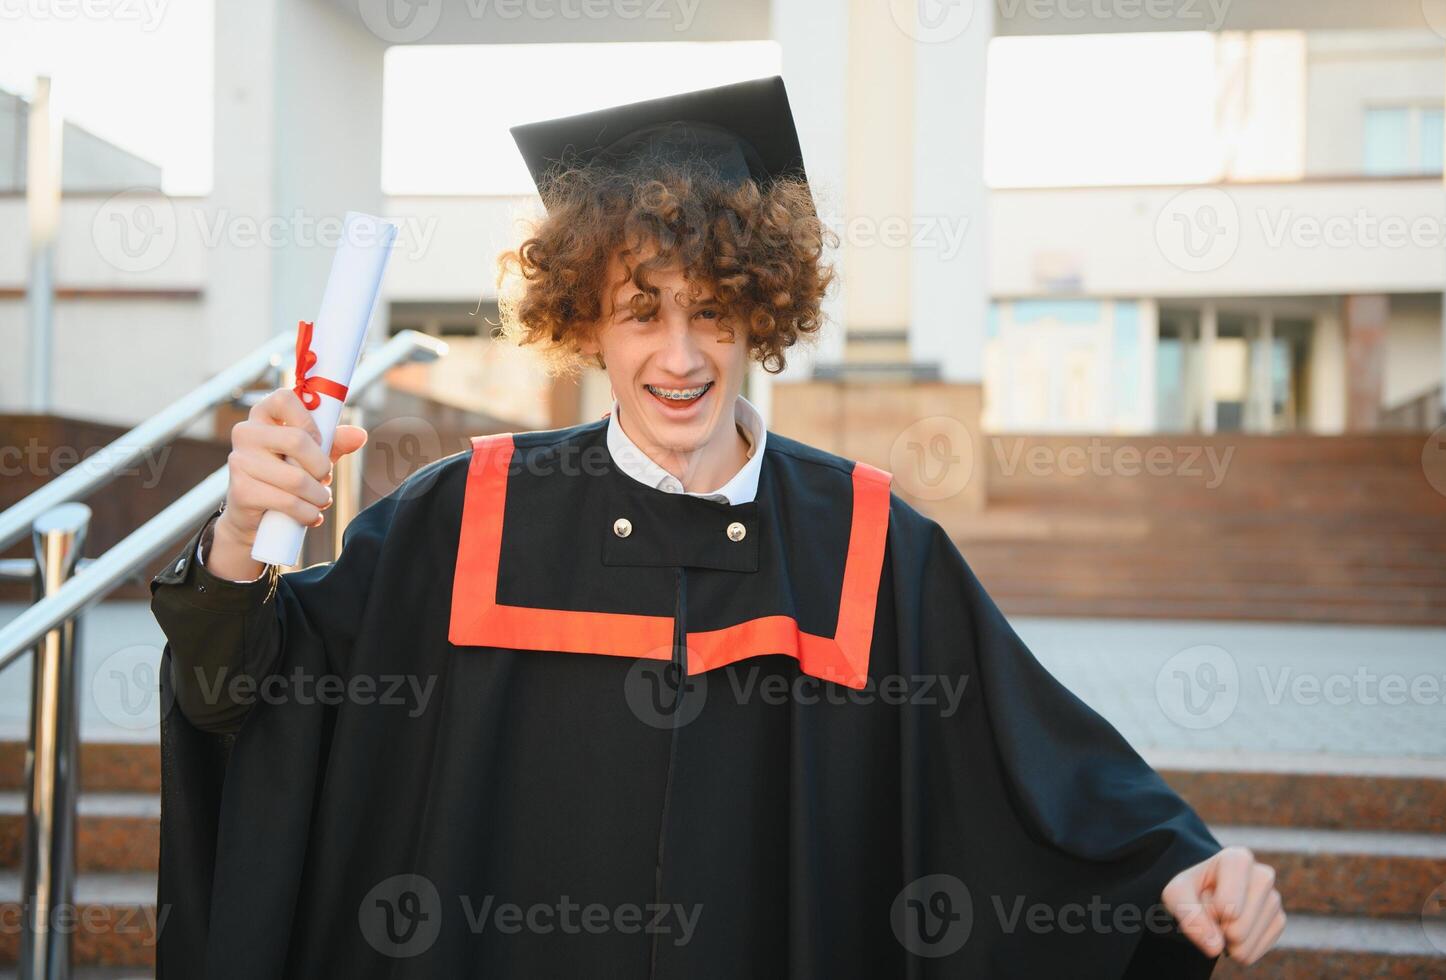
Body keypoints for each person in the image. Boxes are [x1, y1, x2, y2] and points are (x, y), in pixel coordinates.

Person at [149, 77, 1284, 978]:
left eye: (717, 309)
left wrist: (1168, 873)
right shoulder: (469, 513)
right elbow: (248, 698)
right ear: (587, 318)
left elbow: (1030, 771)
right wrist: (246, 531)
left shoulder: (867, 543)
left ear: (766, 312)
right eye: (642, 309)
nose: (680, 356)